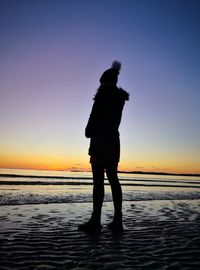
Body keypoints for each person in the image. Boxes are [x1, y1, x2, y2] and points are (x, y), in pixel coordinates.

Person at [78, 61, 129, 233]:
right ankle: (117, 220)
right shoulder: (119, 100)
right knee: (113, 179)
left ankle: (95, 220)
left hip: (100, 142)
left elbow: (90, 125)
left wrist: (88, 130)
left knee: (98, 182)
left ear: (104, 82)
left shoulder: (101, 97)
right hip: (114, 142)